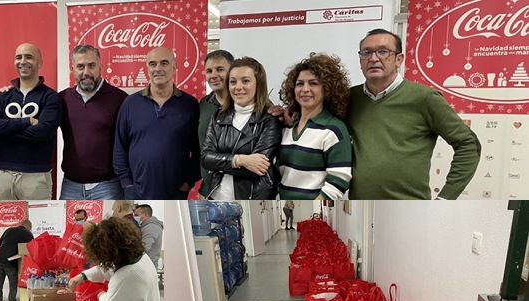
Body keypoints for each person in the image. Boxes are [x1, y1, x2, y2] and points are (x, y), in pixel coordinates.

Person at [345, 29, 480, 199]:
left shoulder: (425, 98)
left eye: (383, 51)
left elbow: (468, 144)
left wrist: (446, 198)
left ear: (398, 59)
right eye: (367, 52)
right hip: (361, 205)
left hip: (411, 206)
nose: (373, 58)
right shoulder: (349, 99)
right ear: (360, 60)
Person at [113, 46, 200, 200]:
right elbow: (120, 146)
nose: (158, 68)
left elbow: (198, 149)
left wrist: (188, 182)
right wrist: (126, 182)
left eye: (164, 63)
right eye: (153, 64)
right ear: (147, 68)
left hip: (176, 191)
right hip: (135, 191)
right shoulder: (130, 104)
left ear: (174, 67)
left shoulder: (190, 104)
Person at [0, 43, 62, 200]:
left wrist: (4, 130)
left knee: (38, 222)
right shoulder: (3, 95)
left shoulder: (51, 97)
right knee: (2, 223)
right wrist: (25, 122)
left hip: (36, 176)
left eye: (29, 57)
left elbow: (43, 133)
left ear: (40, 63)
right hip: (2, 175)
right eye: (19, 57)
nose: (23, 61)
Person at [201, 57, 281, 200]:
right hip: (216, 196)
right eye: (233, 82)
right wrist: (240, 160)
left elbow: (258, 168)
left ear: (259, 84)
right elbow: (206, 159)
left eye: (245, 81)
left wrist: (220, 162)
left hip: (253, 197)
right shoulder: (219, 116)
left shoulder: (269, 118)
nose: (238, 87)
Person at [278, 53, 352, 200]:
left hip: (315, 211)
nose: (305, 89)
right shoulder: (286, 124)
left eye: (313, 83)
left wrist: (313, 212)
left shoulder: (334, 129)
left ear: (327, 89)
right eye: (300, 83)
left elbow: (339, 181)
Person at [59, 45, 128, 200]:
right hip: (71, 185)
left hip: (108, 186)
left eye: (91, 66)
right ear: (73, 69)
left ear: (101, 67)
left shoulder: (120, 99)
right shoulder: (62, 99)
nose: (86, 72)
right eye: (80, 66)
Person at [198, 50, 235, 199]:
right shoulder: (203, 104)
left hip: (240, 190)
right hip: (208, 190)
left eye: (220, 69)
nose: (214, 75)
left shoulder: (251, 103)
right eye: (209, 71)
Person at [0, 219, 34, 301]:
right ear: (28, 227)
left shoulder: (9, 230)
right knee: (13, 283)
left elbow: (0, 243)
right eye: (30, 229)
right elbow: (32, 248)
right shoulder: (28, 234)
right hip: (11, 262)